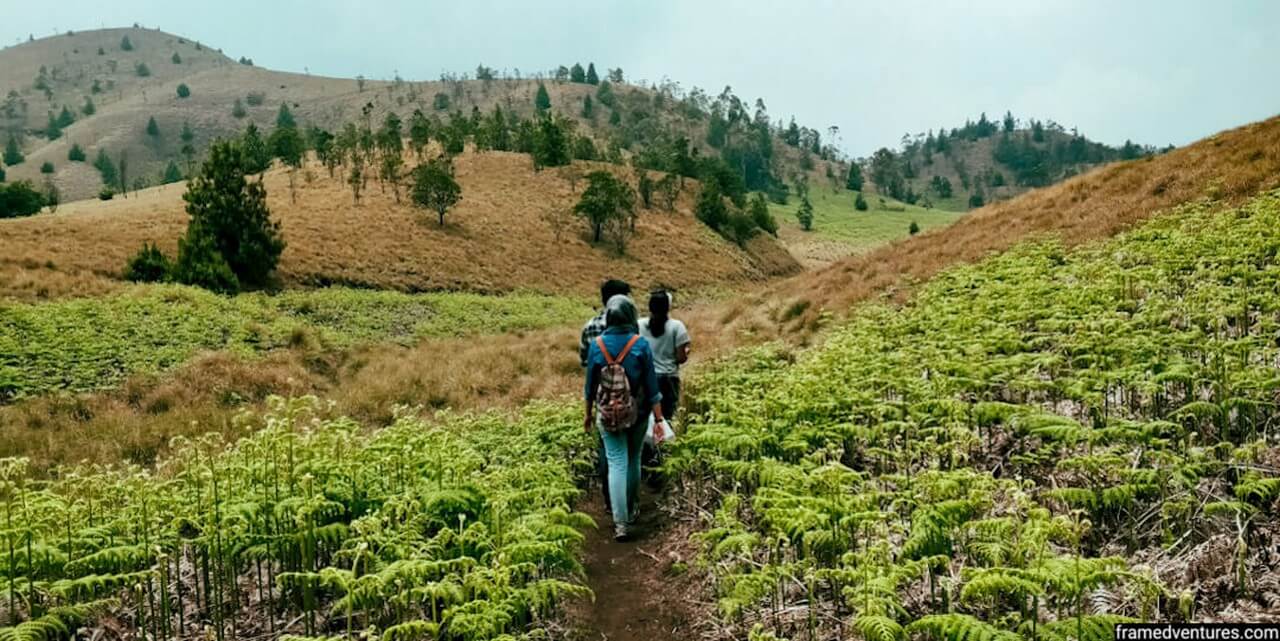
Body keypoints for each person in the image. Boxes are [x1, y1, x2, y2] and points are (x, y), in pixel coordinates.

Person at [584, 295, 666, 541]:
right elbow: (652, 388)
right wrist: (659, 419)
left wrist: (588, 414)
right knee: (633, 459)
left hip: (607, 414)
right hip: (637, 414)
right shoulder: (640, 344)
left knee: (616, 462)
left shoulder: (597, 345)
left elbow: (590, 387)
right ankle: (631, 512)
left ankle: (620, 523)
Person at [581, 279, 632, 511]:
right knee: (630, 450)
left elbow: (585, 363)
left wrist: (588, 409)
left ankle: (610, 500)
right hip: (630, 398)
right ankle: (628, 501)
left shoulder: (590, 327)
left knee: (607, 450)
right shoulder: (634, 329)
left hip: (602, 397)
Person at [639, 290, 691, 425]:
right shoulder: (677, 327)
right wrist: (686, 351)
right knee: (666, 417)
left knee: (645, 417)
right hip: (668, 378)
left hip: (644, 377)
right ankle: (663, 443)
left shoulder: (639, 325)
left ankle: (646, 445)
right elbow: (681, 358)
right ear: (668, 307)